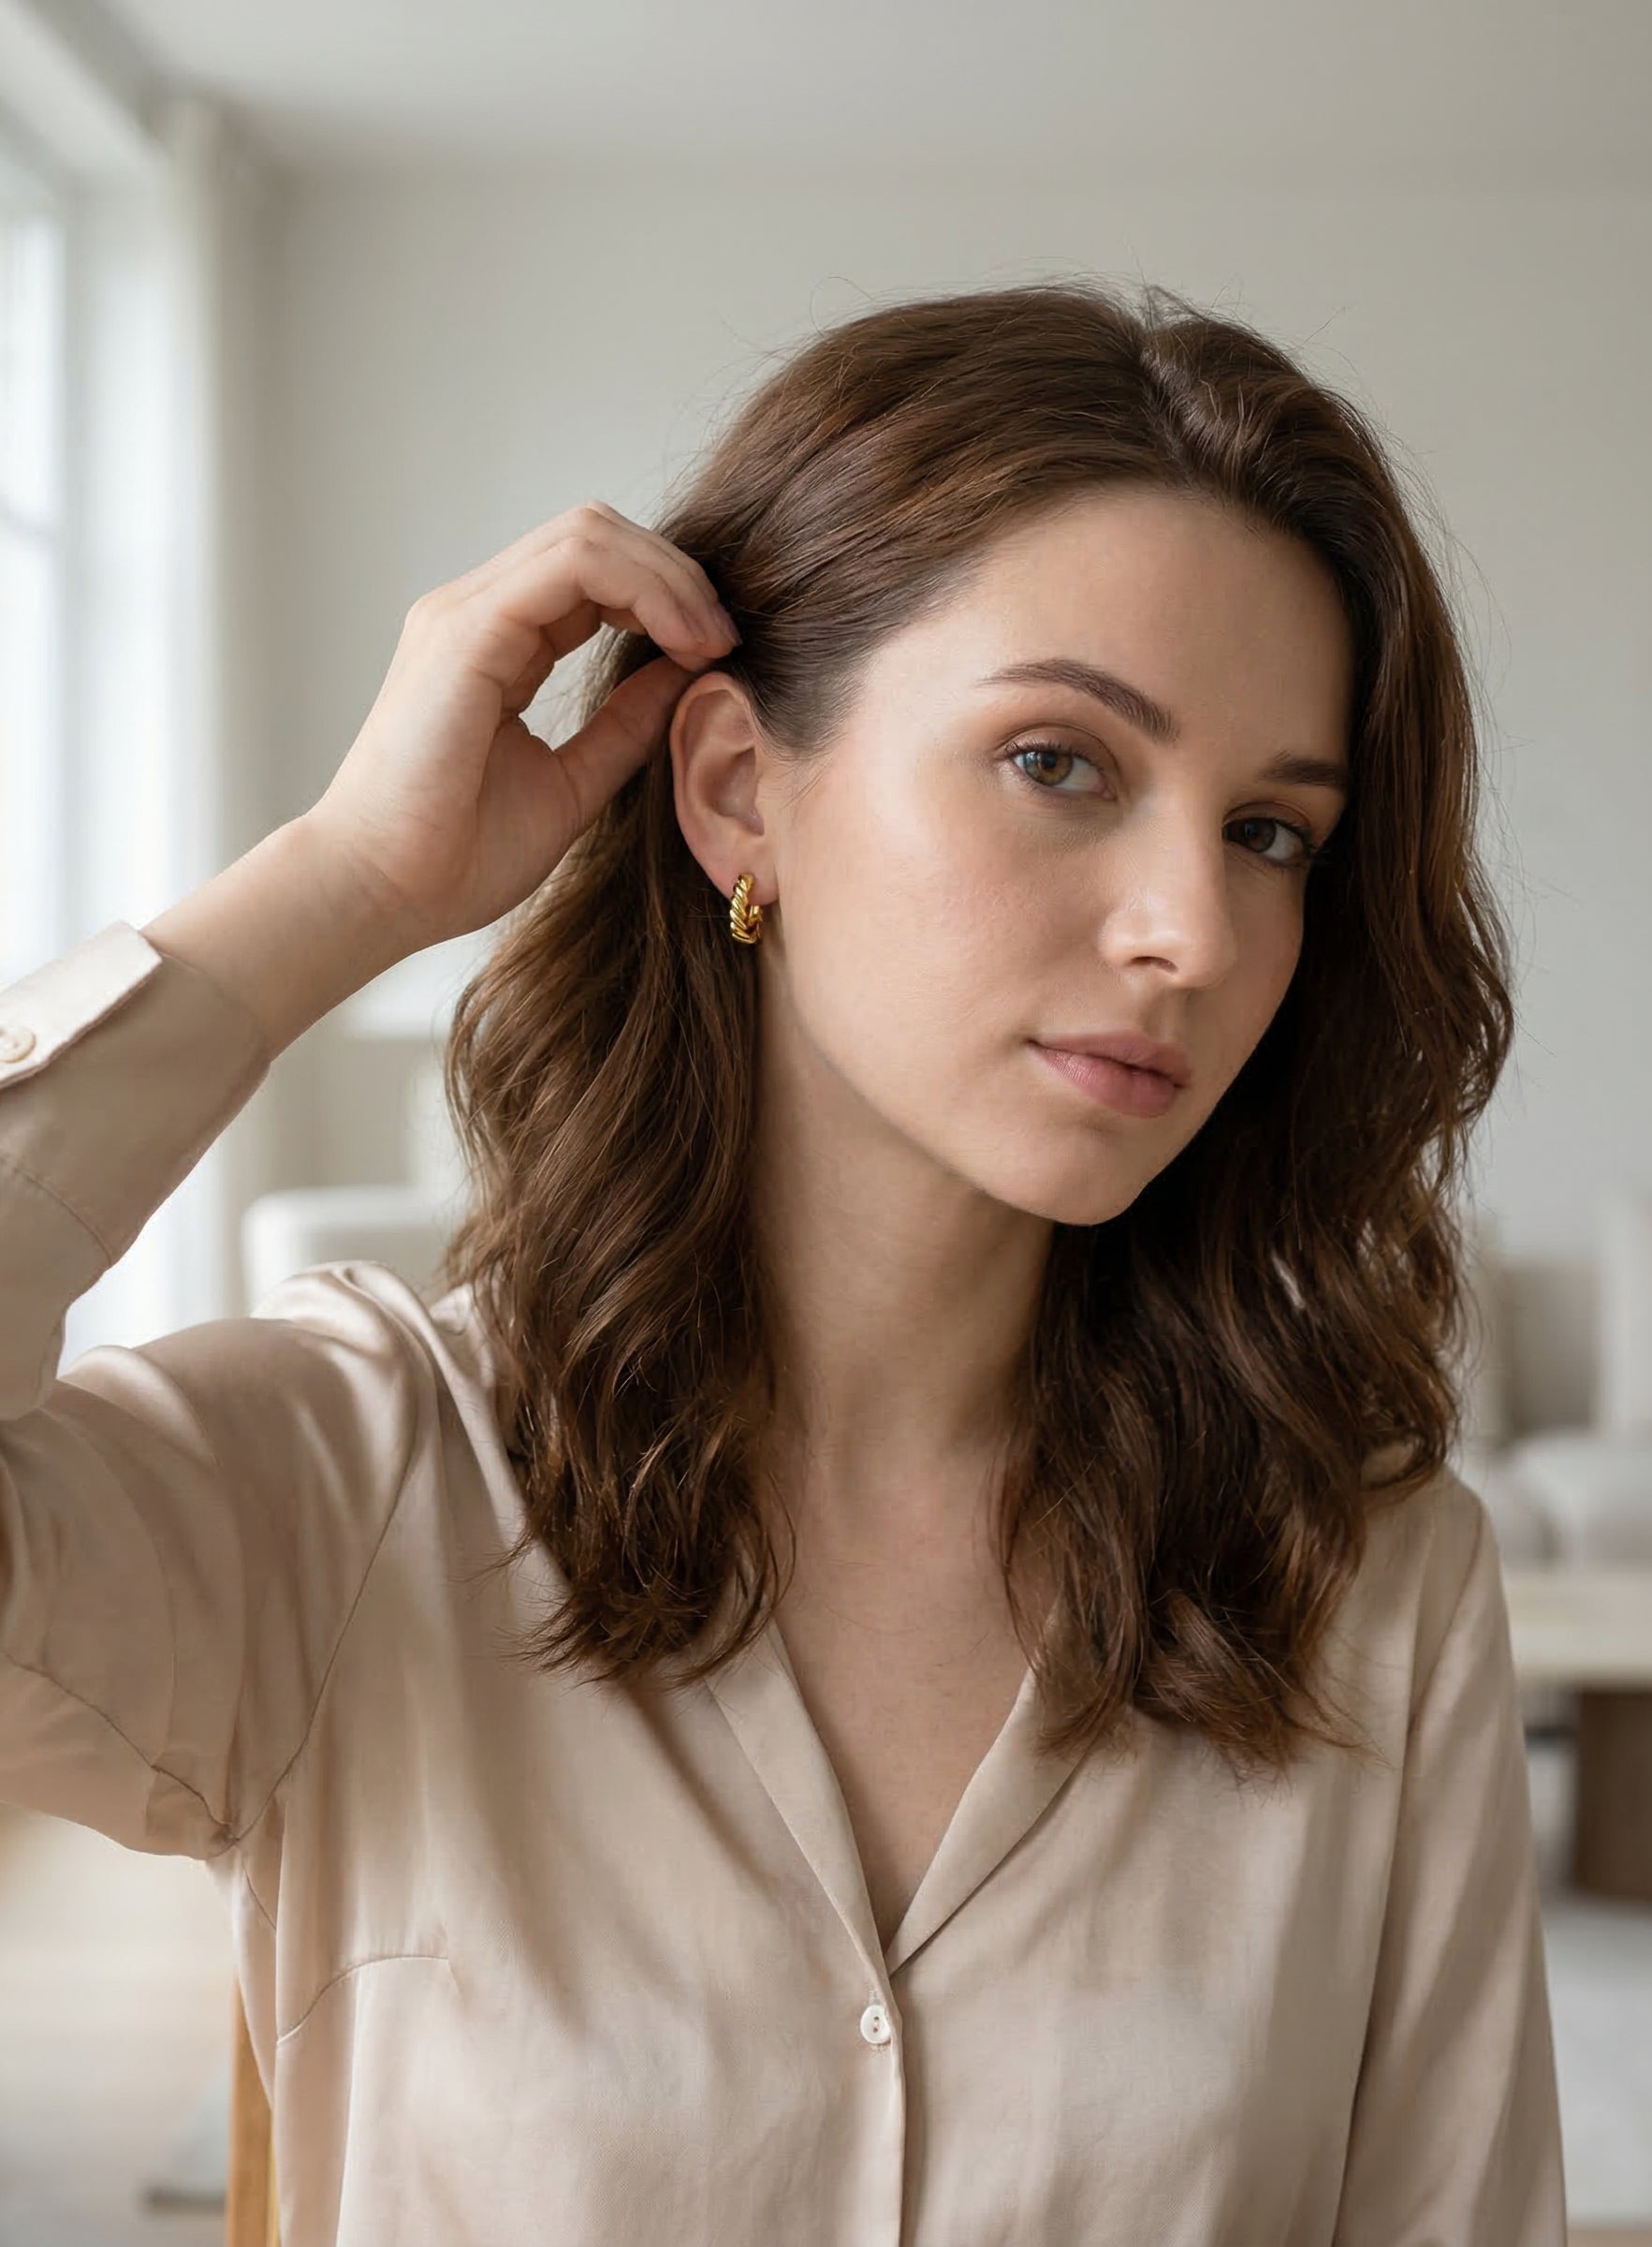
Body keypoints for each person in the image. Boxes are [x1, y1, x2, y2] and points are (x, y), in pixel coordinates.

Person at [0, 277, 1566, 2242]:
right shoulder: (358, 1480)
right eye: (1060, 762)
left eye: (1267, 830)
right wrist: (342, 885)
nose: (1188, 924)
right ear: (741, 786)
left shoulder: (1367, 1578)